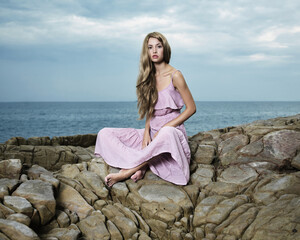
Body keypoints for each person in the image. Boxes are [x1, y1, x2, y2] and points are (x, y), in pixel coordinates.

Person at [94, 32, 196, 187]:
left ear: (165, 49)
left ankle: (129, 170)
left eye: (158, 46)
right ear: (146, 52)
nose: (154, 51)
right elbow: (150, 111)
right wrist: (146, 134)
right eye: (150, 47)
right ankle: (144, 162)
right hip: (152, 131)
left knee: (166, 134)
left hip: (172, 134)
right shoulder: (148, 77)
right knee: (104, 133)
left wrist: (165, 128)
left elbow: (191, 108)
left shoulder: (176, 75)